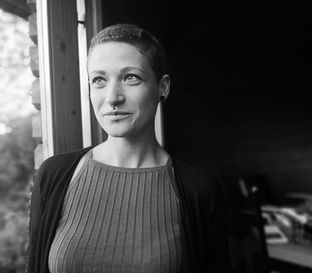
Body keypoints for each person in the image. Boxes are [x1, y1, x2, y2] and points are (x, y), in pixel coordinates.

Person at [26, 23, 233, 273]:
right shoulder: (54, 175)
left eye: (130, 77)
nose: (113, 97)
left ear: (162, 87)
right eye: (99, 80)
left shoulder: (199, 188)